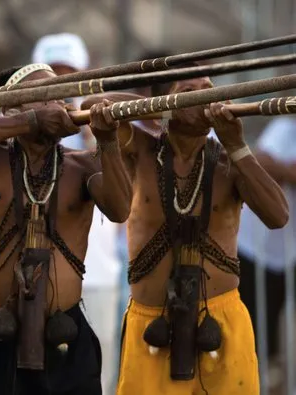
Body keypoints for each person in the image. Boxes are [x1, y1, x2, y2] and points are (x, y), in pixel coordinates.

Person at [82, 72, 289, 394]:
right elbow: (94, 104)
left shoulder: (229, 160)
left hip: (223, 321)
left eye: (208, 90)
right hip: (150, 322)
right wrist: (168, 108)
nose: (203, 95)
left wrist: (237, 145)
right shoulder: (141, 150)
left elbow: (278, 216)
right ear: (165, 103)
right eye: (188, 90)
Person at [0, 63, 133, 395]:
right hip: (3, 333)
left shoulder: (82, 164)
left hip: (68, 333)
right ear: (11, 108)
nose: (59, 105)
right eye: (45, 97)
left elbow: (120, 210)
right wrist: (31, 122)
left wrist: (107, 141)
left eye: (61, 98)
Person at [32, 33, 122, 393]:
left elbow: (116, 189)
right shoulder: (22, 129)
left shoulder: (94, 123)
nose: (64, 84)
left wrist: (89, 125)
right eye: (55, 75)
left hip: (96, 277)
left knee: (93, 377)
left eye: (71, 74)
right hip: (30, 280)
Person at [237, 116, 296, 392]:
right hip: (252, 252)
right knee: (250, 333)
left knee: (277, 338)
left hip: (287, 258)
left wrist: (284, 170)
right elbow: (259, 162)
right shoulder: (286, 128)